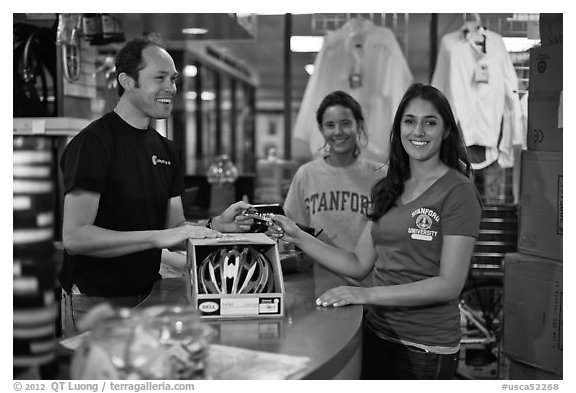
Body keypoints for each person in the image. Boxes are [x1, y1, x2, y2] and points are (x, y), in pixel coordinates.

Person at [272, 83, 482, 379]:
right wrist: (296, 235)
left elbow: (449, 284)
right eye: (409, 121)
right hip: (375, 333)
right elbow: (358, 263)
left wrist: (367, 296)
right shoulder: (388, 187)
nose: (418, 131)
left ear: (446, 131)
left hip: (423, 346)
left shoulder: (458, 191)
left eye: (429, 122)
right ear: (399, 129)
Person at [59, 35, 254, 337]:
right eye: (160, 77)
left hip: (149, 295)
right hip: (96, 301)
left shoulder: (167, 150)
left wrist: (215, 226)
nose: (171, 88)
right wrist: (158, 237)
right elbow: (75, 237)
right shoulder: (94, 144)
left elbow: (173, 228)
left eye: (174, 79)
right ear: (127, 80)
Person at [283, 91, 385, 285]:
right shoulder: (306, 175)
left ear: (359, 125)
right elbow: (293, 237)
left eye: (346, 123)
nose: (338, 132)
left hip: (371, 290)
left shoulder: (381, 175)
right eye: (330, 125)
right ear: (321, 130)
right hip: (318, 287)